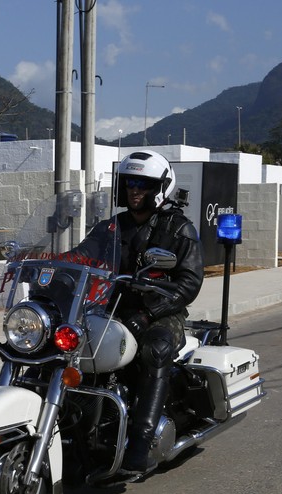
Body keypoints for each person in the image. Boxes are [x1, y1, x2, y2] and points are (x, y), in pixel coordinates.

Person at [77, 150, 204, 475]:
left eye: (144, 184)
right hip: (113, 310)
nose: (135, 190)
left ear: (159, 187)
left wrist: (149, 313)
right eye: (131, 182)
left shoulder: (178, 229)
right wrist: (44, 262)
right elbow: (80, 256)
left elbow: (189, 282)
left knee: (156, 348)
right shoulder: (110, 228)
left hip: (162, 314)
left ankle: (140, 441)